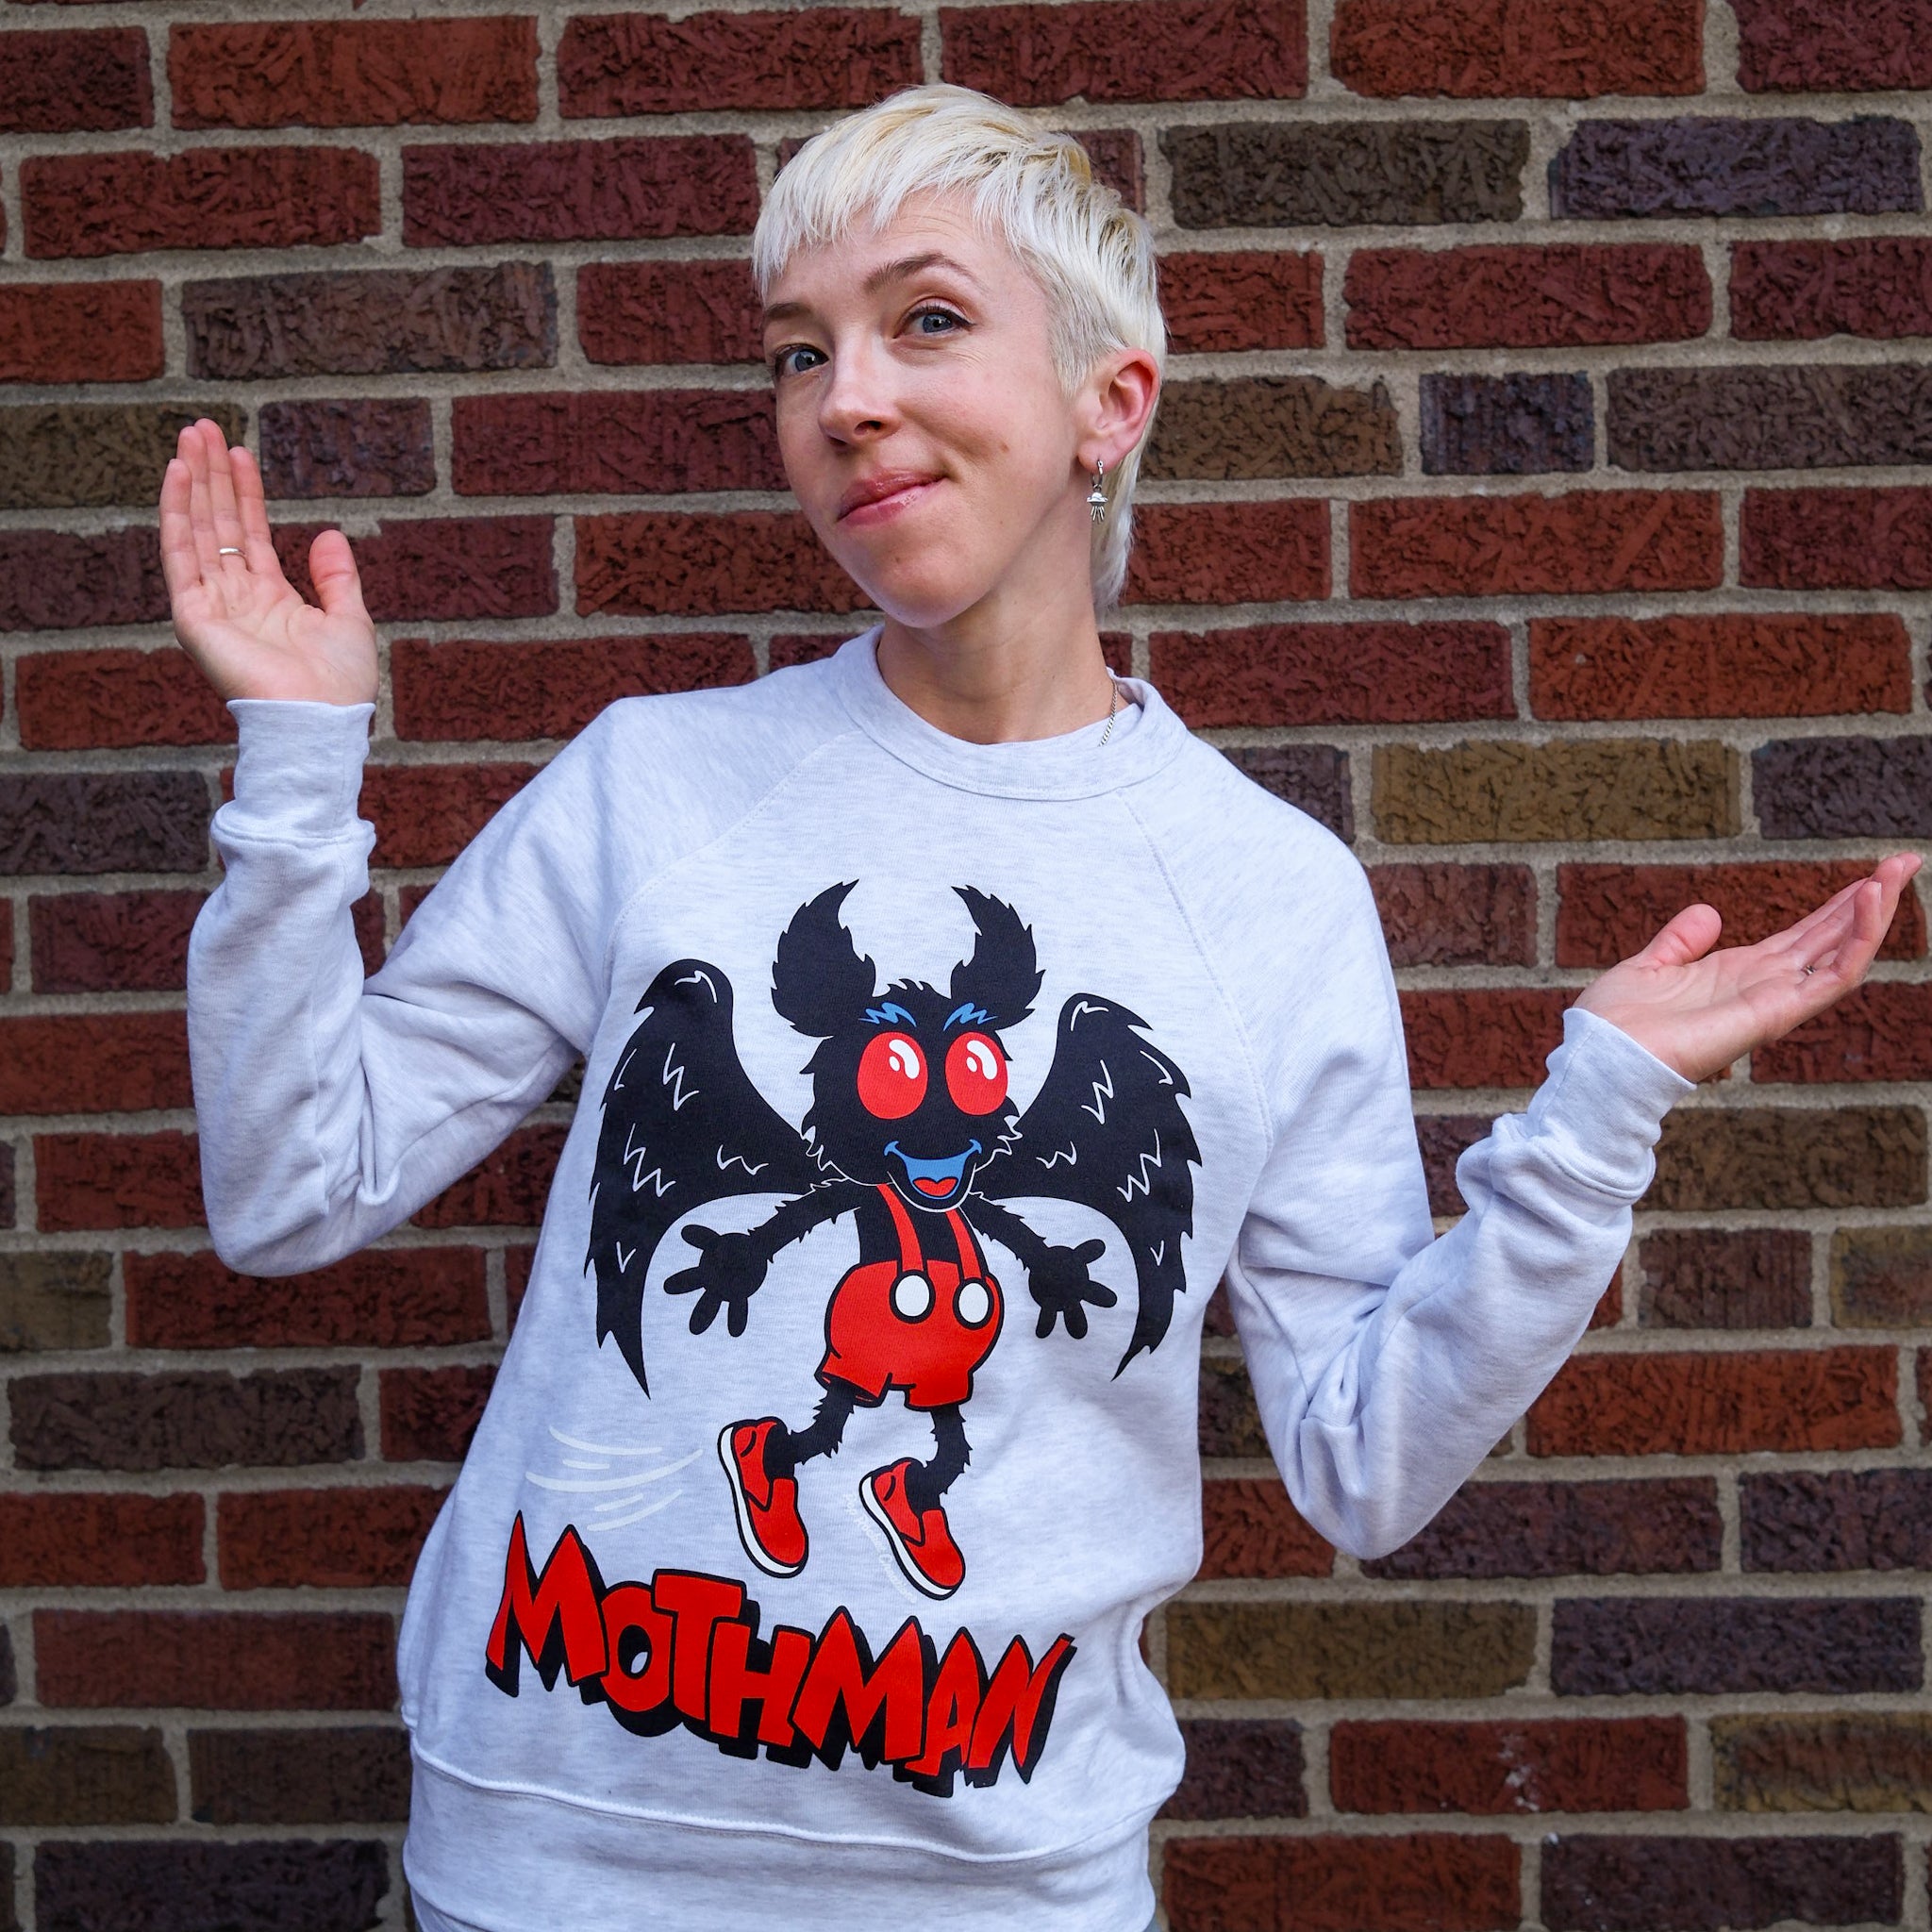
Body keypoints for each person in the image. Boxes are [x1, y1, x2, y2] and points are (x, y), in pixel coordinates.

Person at [160, 84, 1917, 1932]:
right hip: (557, 1860)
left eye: (924, 319)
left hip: (1001, 1886)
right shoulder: (652, 789)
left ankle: (871, 1472)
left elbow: (1369, 1461)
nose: (844, 399)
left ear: (1110, 399)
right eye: (797, 353)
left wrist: (1598, 1113)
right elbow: (293, 1189)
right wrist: (297, 777)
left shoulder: (1262, 896)